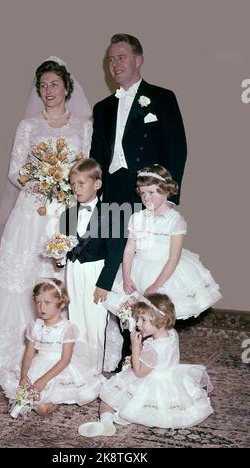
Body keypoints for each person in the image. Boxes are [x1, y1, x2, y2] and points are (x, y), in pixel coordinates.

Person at [0, 58, 93, 372]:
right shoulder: (28, 126)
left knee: (61, 273)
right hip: (31, 211)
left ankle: (63, 349)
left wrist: (67, 188)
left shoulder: (84, 126)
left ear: (66, 88)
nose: (48, 90)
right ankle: (10, 349)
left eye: (54, 84)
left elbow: (87, 169)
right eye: (43, 86)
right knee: (19, 274)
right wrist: (43, 184)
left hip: (66, 210)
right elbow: (15, 171)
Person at [78, 293, 214, 436]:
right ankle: (122, 416)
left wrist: (135, 350)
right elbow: (160, 359)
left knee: (107, 399)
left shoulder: (153, 349)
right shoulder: (172, 333)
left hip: (150, 382)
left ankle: (106, 422)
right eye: (138, 319)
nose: (138, 324)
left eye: (143, 320)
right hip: (171, 378)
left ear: (160, 321)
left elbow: (139, 373)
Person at [104, 164, 221, 321]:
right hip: (138, 270)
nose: (146, 197)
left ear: (166, 190)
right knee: (136, 318)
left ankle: (162, 344)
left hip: (164, 274)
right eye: (143, 192)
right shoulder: (137, 218)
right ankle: (137, 344)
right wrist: (126, 276)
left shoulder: (175, 220)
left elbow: (174, 258)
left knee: (159, 319)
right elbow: (129, 250)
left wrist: (156, 286)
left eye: (151, 192)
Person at [90, 33, 187, 207]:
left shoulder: (163, 98)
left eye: (121, 58)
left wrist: (170, 198)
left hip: (150, 192)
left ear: (138, 60)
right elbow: (97, 156)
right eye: (111, 60)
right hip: (112, 193)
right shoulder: (102, 107)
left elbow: (177, 149)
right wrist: (93, 196)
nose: (115, 64)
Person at [0, 279, 104, 417]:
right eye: (38, 302)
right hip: (39, 365)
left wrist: (43, 380)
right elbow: (29, 354)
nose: (42, 307)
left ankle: (59, 398)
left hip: (60, 369)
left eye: (47, 303)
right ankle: (39, 399)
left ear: (62, 303)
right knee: (24, 395)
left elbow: (65, 361)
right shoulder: (35, 326)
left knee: (42, 409)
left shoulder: (67, 328)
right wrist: (24, 376)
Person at [59, 158, 126, 373]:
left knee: (95, 322)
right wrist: (60, 256)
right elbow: (66, 246)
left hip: (97, 272)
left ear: (96, 184)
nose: (75, 189)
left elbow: (115, 254)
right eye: (72, 184)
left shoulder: (112, 213)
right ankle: (77, 368)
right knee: (75, 318)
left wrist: (104, 284)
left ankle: (94, 371)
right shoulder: (67, 214)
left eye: (81, 184)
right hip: (73, 271)